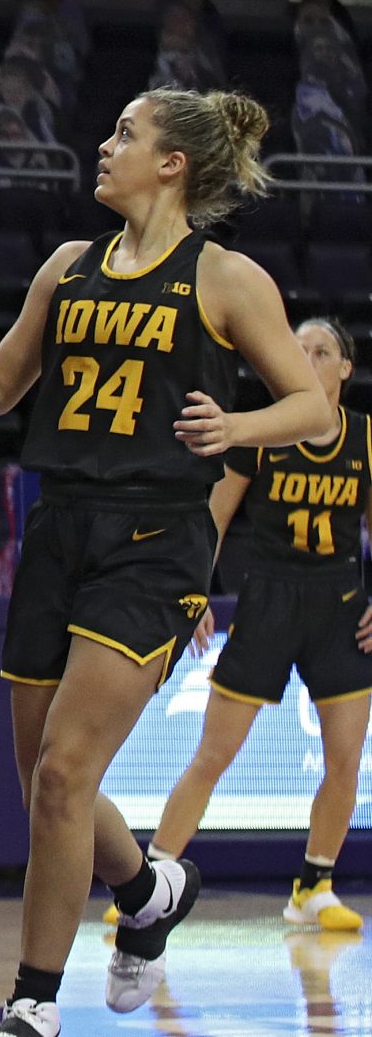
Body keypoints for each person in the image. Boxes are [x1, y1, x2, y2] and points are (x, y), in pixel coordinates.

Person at [0, 89, 327, 1033]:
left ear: (172, 162)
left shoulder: (224, 278)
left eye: (124, 136)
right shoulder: (67, 267)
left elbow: (310, 408)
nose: (103, 148)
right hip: (62, 529)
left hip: (156, 540)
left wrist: (237, 425)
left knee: (63, 776)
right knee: (44, 786)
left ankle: (32, 1000)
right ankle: (150, 892)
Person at [142, 316, 372, 934]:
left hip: (339, 603)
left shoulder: (366, 439)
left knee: (345, 757)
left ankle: (313, 887)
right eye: (297, 349)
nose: (307, 357)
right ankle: (152, 879)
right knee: (214, 752)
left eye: (321, 350)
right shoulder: (261, 432)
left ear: (344, 369)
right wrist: (196, 590)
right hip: (268, 600)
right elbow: (214, 518)